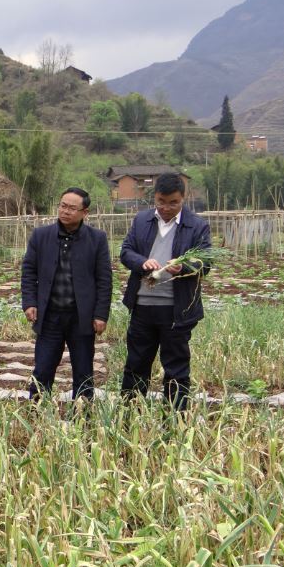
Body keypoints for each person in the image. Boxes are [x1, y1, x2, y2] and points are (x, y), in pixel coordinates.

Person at [119, 172, 211, 411]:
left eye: (173, 203)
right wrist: (142, 262)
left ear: (183, 199)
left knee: (176, 368)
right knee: (136, 364)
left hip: (176, 310)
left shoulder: (197, 226)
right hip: (143, 307)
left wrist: (184, 267)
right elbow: (126, 251)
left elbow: (205, 262)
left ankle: (175, 419)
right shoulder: (142, 220)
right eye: (161, 201)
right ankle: (129, 416)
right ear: (155, 197)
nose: (166, 208)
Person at [21, 187, 112, 402]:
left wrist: (101, 314)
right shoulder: (41, 236)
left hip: (81, 317)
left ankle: (82, 412)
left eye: (72, 208)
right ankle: (36, 409)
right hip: (49, 315)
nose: (65, 211)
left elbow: (104, 279)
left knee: (83, 369)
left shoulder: (97, 239)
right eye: (63, 206)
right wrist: (30, 302)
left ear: (84, 212)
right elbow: (29, 271)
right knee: (43, 367)